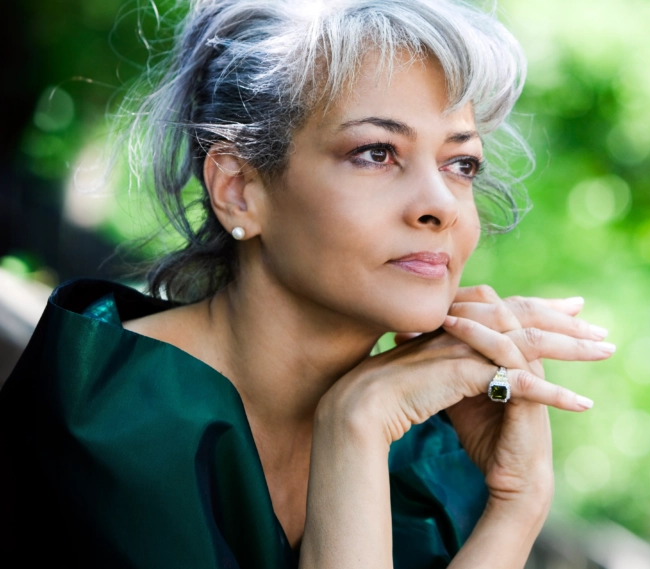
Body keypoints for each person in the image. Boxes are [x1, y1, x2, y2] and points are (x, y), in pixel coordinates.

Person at [0, 1, 615, 568]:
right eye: (376, 152)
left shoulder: (428, 458)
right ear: (239, 190)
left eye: (461, 163)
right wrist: (354, 427)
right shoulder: (104, 422)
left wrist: (518, 505)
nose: (440, 205)